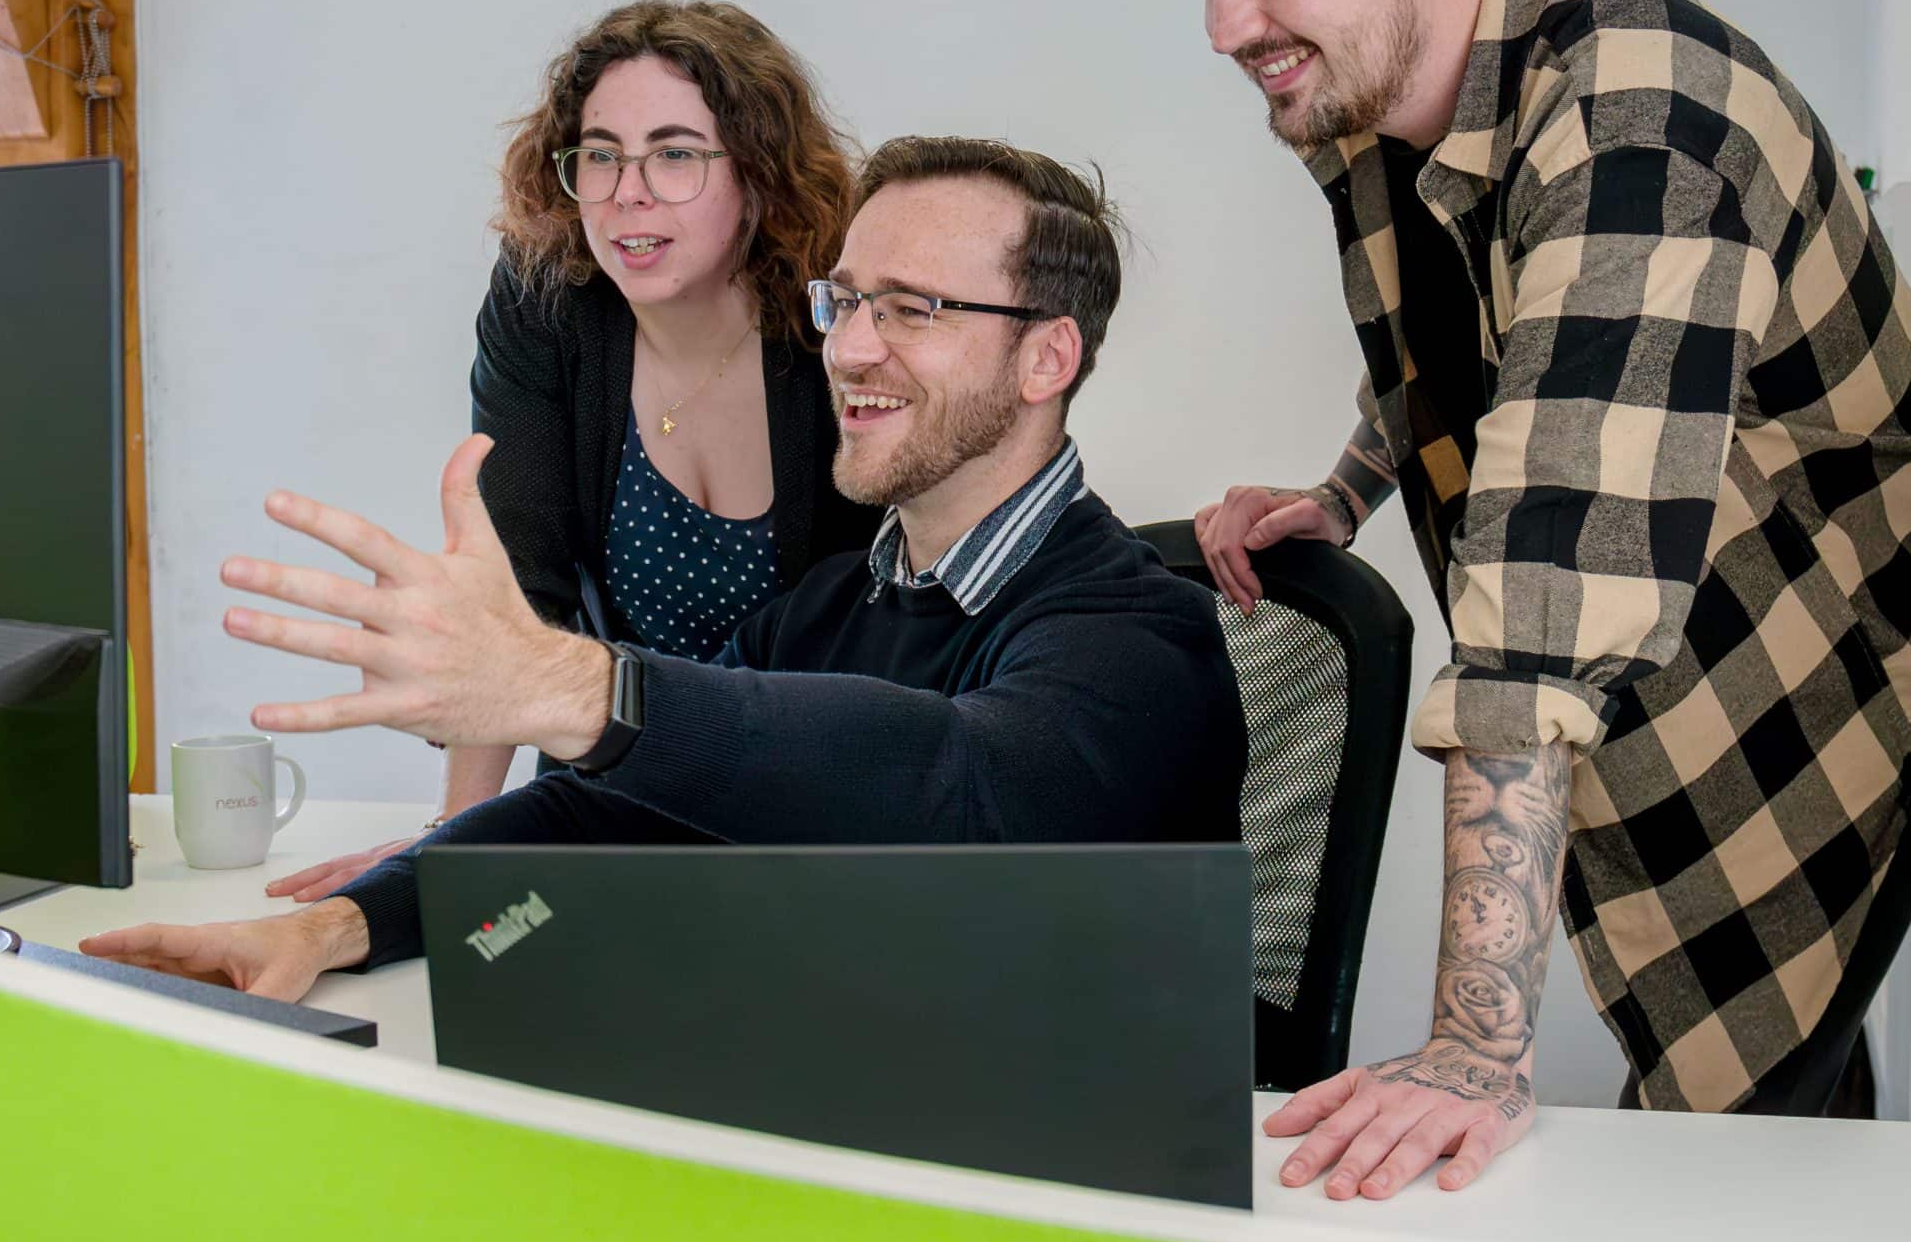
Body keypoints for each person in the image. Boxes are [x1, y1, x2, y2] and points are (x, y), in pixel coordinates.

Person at [1146, 0, 1911, 1197]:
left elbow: (1545, 596)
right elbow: (1487, 328)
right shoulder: (1384, 73)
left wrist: (1474, 1050)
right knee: (1755, 1144)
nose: (1226, 25)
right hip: (1647, 665)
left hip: (1821, 673)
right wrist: (1347, 491)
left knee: (1748, 1162)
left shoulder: (1635, 121)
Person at [83, 137, 1246, 995]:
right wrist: (336, 929)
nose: (848, 348)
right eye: (846, 300)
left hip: (1064, 1190)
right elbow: (605, 821)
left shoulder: (1145, 636)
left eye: (912, 309)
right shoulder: (827, 608)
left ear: (1045, 359)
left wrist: (583, 690)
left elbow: (962, 790)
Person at [265, 0, 879, 904]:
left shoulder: (844, 330)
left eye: (675, 154)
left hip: (819, 823)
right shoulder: (545, 302)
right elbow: (517, 595)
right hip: (606, 808)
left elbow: (887, 637)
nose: (628, 192)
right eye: (601, 154)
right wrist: (453, 848)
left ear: (757, 176)